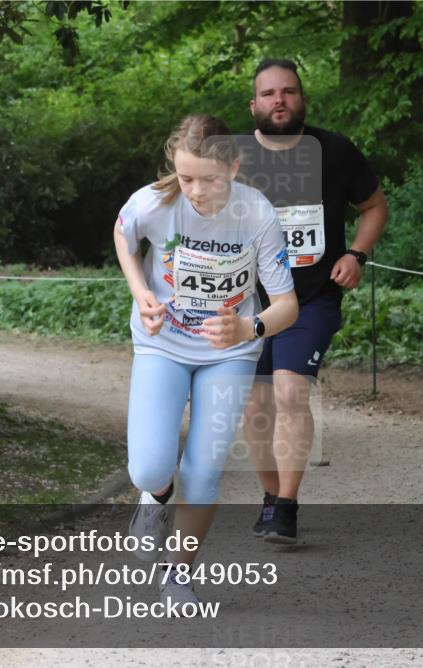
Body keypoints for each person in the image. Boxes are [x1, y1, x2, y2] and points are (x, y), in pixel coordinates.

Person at [115, 114, 298, 606]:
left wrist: (248, 327)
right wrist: (141, 294)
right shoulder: (154, 201)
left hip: (230, 353)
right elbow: (124, 238)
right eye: (185, 176)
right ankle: (154, 496)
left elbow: (286, 305)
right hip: (163, 344)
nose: (195, 190)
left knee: (201, 473)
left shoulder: (256, 214)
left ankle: (177, 575)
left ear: (234, 167)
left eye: (208, 178)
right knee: (151, 468)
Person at [238, 58, 388, 543]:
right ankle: (268, 498)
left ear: (302, 99)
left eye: (288, 91)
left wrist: (357, 254)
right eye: (268, 94)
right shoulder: (234, 161)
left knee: (289, 391)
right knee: (255, 406)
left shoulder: (335, 150)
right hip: (250, 304)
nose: (278, 100)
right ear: (254, 105)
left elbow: (374, 206)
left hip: (312, 300)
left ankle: (286, 506)